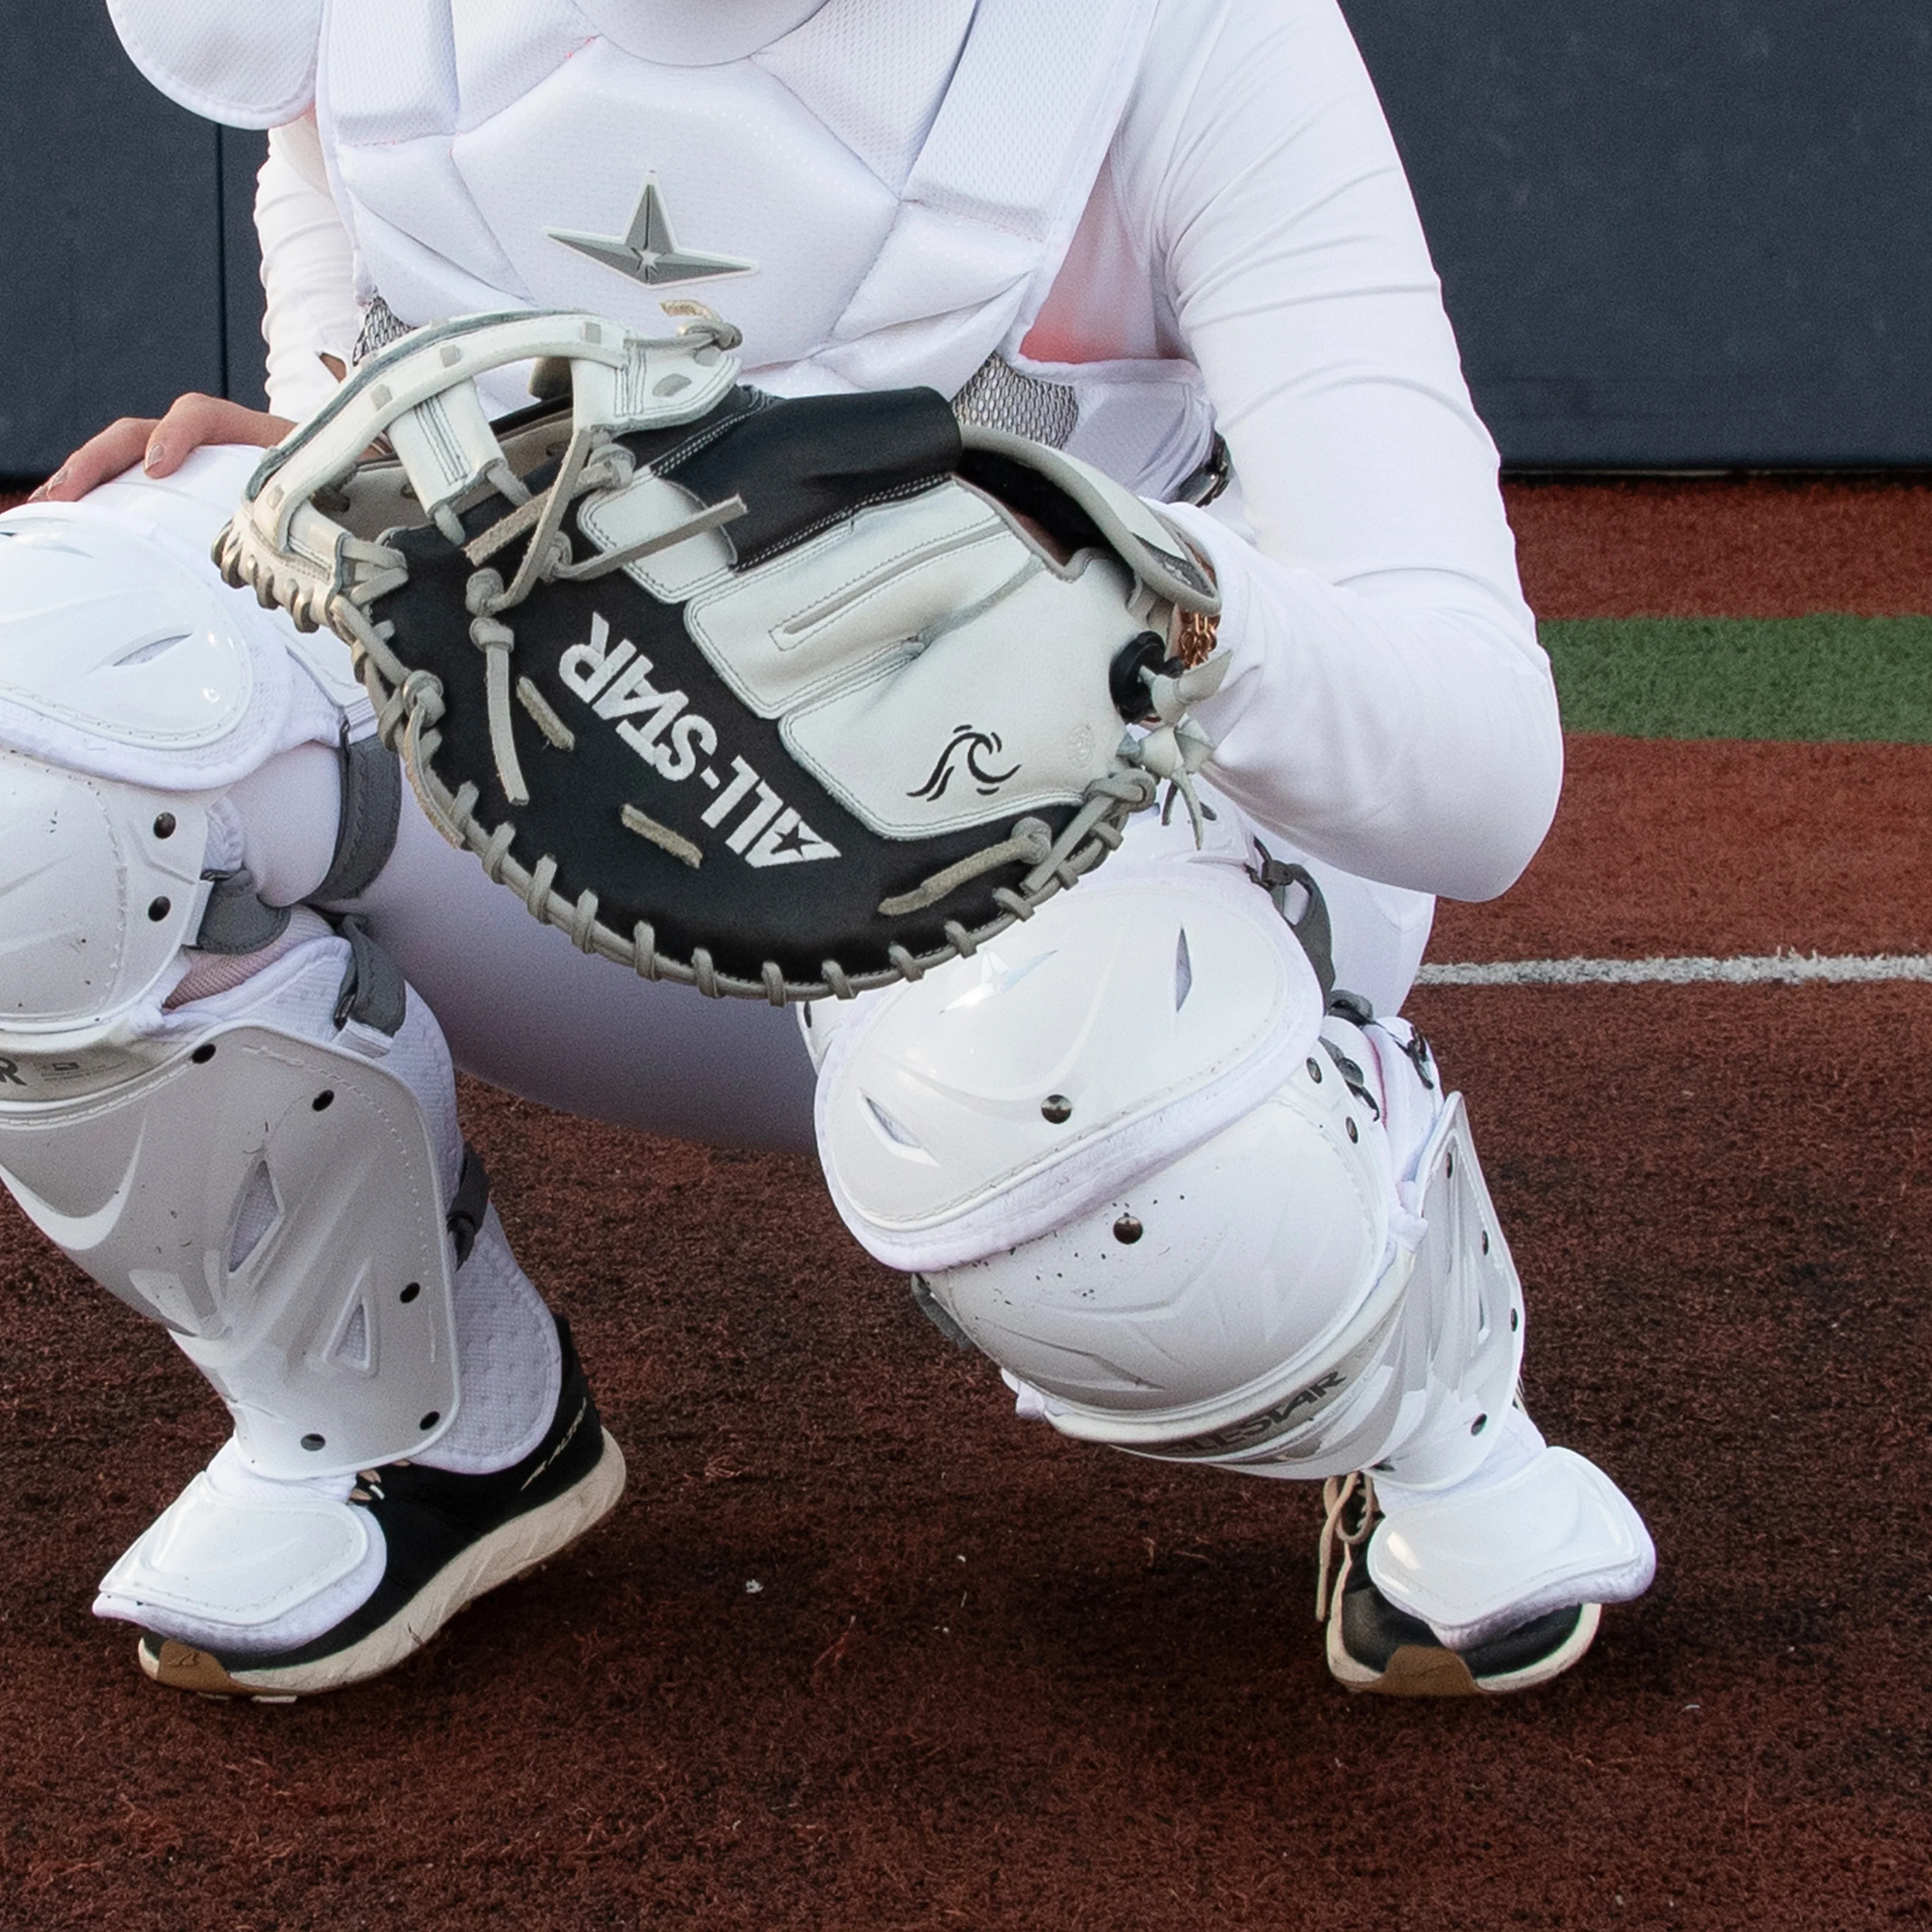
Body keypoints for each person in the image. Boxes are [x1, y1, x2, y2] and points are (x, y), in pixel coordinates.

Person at [1, 0, 1652, 1698]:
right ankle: (407, 1426)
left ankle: (1434, 1399)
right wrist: (304, 499)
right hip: (588, 811)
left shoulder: (1186, 34)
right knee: (36, 724)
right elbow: (377, 439)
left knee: (1107, 1121)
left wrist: (1129, 587)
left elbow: (1481, 773)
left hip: (1073, 858)